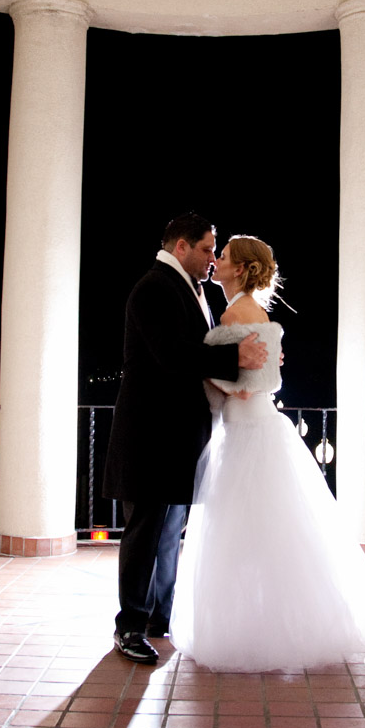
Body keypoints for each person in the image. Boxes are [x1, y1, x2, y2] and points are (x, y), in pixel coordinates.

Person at [171, 235, 365, 672]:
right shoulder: (257, 313)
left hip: (244, 436)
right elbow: (268, 379)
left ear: (241, 270)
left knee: (240, 540)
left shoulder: (232, 315)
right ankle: (282, 627)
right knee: (275, 535)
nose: (217, 261)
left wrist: (213, 381)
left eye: (223, 257)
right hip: (265, 429)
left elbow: (241, 385)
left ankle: (245, 632)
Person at [103, 213, 269, 665]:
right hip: (150, 437)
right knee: (144, 534)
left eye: (217, 252)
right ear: (180, 246)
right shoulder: (155, 288)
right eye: (207, 250)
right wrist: (237, 356)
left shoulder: (189, 290)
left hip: (178, 438)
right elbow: (173, 356)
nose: (213, 259)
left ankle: (159, 618)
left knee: (169, 533)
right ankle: (130, 627)